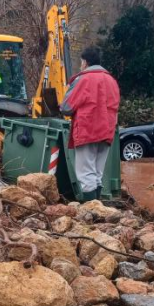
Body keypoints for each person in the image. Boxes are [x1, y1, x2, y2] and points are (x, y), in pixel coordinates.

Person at [60, 46, 120, 200]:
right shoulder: (112, 80)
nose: (81, 65)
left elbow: (66, 107)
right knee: (97, 174)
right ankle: (98, 209)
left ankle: (91, 211)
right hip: (106, 132)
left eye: (81, 62)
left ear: (85, 62)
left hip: (88, 130)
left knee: (85, 173)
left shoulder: (83, 79)